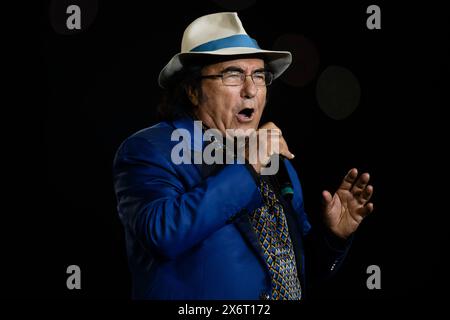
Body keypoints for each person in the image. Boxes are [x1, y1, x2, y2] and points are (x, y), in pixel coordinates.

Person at [113, 12, 374, 300]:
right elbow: (161, 234)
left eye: (259, 76)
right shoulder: (150, 149)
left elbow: (292, 273)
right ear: (192, 90)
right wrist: (247, 166)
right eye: (233, 74)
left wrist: (332, 238)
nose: (251, 90)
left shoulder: (275, 161)